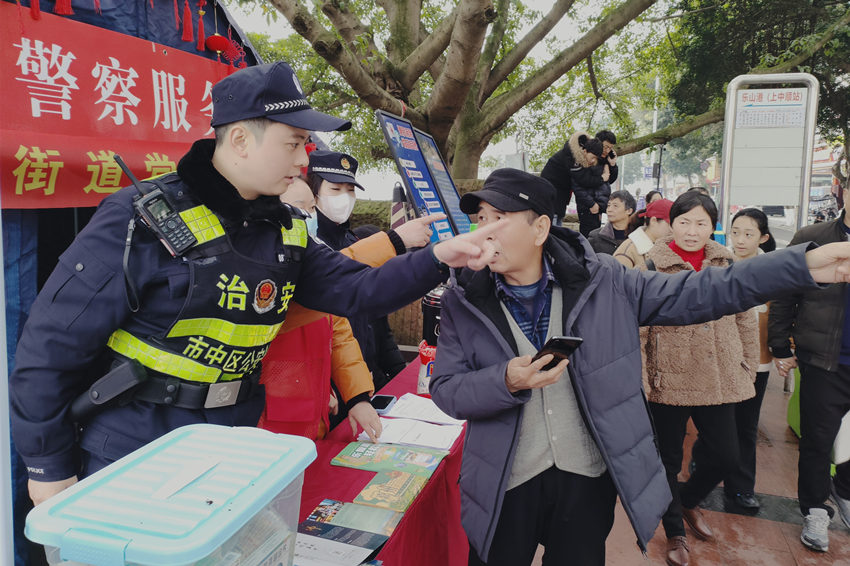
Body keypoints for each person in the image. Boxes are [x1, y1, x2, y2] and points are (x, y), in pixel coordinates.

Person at [10, 61, 502, 506]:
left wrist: (437, 258)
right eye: (293, 142)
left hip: (234, 447)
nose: (304, 159)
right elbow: (51, 346)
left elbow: (358, 291)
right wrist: (48, 470)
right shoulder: (142, 219)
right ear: (241, 140)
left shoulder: (284, 230)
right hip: (135, 451)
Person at [429, 167, 850, 566]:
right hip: (503, 483)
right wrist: (505, 381)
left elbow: (705, 290)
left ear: (540, 228)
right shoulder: (463, 301)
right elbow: (446, 388)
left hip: (585, 477)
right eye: (480, 218)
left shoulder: (605, 281)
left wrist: (800, 267)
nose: (483, 231)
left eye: (499, 218)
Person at [642, 192, 759, 566]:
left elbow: (744, 318)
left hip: (717, 375)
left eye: (701, 223)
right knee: (668, 459)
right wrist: (642, 377)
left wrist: (747, 365)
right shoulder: (651, 265)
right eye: (684, 222)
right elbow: (638, 326)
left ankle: (688, 500)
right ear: (672, 223)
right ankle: (674, 530)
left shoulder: (727, 264)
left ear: (713, 227)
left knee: (727, 455)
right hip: (668, 377)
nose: (692, 231)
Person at [258, 178, 384, 441]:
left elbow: (340, 336)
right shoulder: (263, 269)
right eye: (298, 208)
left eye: (312, 208)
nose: (308, 216)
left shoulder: (318, 260)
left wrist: (357, 397)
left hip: (316, 409)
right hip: (272, 420)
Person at [769, 184, 850, 552]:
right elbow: (785, 292)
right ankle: (815, 509)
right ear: (844, 192)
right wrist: (779, 344)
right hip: (824, 360)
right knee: (817, 439)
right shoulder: (813, 238)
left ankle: (844, 490)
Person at [305, 150, 427, 393]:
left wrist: (394, 372)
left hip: (364, 376)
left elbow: (376, 319)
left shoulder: (354, 240)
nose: (344, 197)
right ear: (313, 194)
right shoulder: (310, 246)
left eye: (350, 190)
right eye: (335, 189)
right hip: (326, 383)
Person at [691, 208, 776, 515]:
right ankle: (701, 475)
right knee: (714, 424)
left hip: (757, 362)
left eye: (748, 234)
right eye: (735, 232)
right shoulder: (718, 265)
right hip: (719, 359)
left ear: (763, 238)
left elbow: (780, 315)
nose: (740, 240)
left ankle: (741, 488)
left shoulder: (772, 271)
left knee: (746, 426)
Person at [613, 197, 673, 270]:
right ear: (653, 221)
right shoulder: (628, 251)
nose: (673, 230)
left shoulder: (667, 247)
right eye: (670, 224)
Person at [570, 133, 611, 237]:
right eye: (592, 157)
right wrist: (592, 204)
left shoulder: (596, 163)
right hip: (587, 207)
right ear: (585, 151)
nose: (593, 161)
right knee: (587, 238)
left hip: (597, 208)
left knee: (595, 237)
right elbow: (578, 189)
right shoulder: (578, 165)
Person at [587, 190, 636, 255]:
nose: (609, 210)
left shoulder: (638, 237)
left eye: (615, 206)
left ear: (629, 211)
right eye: (608, 205)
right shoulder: (595, 237)